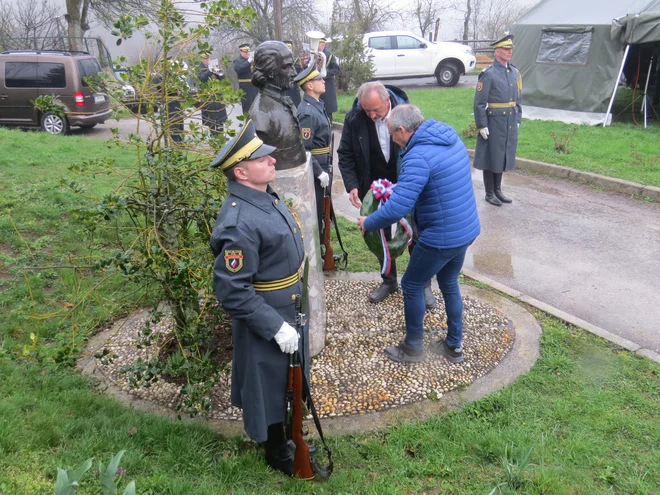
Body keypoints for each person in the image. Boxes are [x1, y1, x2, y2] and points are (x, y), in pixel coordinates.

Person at [210, 119, 308, 476]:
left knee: (286, 380)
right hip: (269, 316)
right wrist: (275, 327)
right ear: (241, 172)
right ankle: (277, 449)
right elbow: (233, 290)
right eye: (261, 157)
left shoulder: (263, 197)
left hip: (289, 305)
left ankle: (287, 433)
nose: (271, 159)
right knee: (267, 383)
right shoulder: (238, 222)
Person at [357, 105, 481, 364]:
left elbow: (399, 208)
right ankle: (453, 346)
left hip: (442, 236)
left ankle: (412, 348)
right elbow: (434, 183)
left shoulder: (417, 156)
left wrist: (369, 221)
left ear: (403, 130)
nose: (392, 139)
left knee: (412, 285)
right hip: (466, 229)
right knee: (449, 283)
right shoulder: (449, 137)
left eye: (392, 134)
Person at [337, 81, 435, 308]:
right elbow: (345, 154)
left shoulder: (407, 115)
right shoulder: (355, 118)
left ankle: (423, 284)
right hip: (374, 187)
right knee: (379, 234)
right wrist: (352, 184)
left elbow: (422, 150)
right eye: (367, 110)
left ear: (387, 101)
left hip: (407, 183)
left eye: (376, 110)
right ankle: (389, 281)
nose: (371, 115)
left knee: (416, 233)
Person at [473, 34, 522, 206]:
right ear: (497, 52)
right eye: (506, 49)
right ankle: (489, 193)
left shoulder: (514, 72)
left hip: (509, 120)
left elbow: (518, 97)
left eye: (510, 49)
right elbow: (479, 103)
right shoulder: (489, 74)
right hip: (494, 121)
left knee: (502, 155)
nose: (509, 52)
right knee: (491, 156)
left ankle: (498, 190)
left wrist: (518, 116)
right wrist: (482, 125)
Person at [249, 40, 307, 169]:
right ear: (270, 71)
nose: (294, 73)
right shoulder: (261, 115)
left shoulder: (282, 100)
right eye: (287, 67)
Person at [294, 63, 331, 240]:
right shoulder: (307, 113)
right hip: (316, 170)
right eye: (319, 79)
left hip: (324, 165)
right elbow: (304, 147)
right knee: (316, 212)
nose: (323, 81)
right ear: (309, 85)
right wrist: (319, 172)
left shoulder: (317, 105)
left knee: (324, 211)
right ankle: (318, 252)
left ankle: (322, 249)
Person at [197, 53, 227, 134]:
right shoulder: (198, 68)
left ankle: (221, 134)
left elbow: (223, 79)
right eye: (205, 59)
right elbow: (202, 79)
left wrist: (217, 72)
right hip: (207, 97)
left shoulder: (213, 66)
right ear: (201, 60)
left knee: (220, 116)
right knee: (211, 118)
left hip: (217, 95)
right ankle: (213, 135)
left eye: (208, 59)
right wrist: (209, 71)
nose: (207, 60)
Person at [317, 37, 339, 123]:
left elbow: (336, 70)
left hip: (327, 86)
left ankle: (329, 129)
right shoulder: (314, 54)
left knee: (327, 111)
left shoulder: (329, 55)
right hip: (316, 86)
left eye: (319, 43)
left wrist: (325, 73)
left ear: (323, 44)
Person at [233, 43, 258, 114]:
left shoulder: (252, 61)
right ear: (241, 52)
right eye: (245, 52)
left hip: (254, 87)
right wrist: (248, 62)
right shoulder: (237, 61)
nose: (247, 53)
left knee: (257, 108)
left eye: (248, 52)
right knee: (248, 109)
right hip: (245, 89)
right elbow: (238, 69)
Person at [283, 41, 302, 108]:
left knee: (296, 105)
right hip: (284, 85)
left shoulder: (295, 59)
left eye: (290, 47)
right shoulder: (279, 59)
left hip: (293, 86)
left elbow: (297, 70)